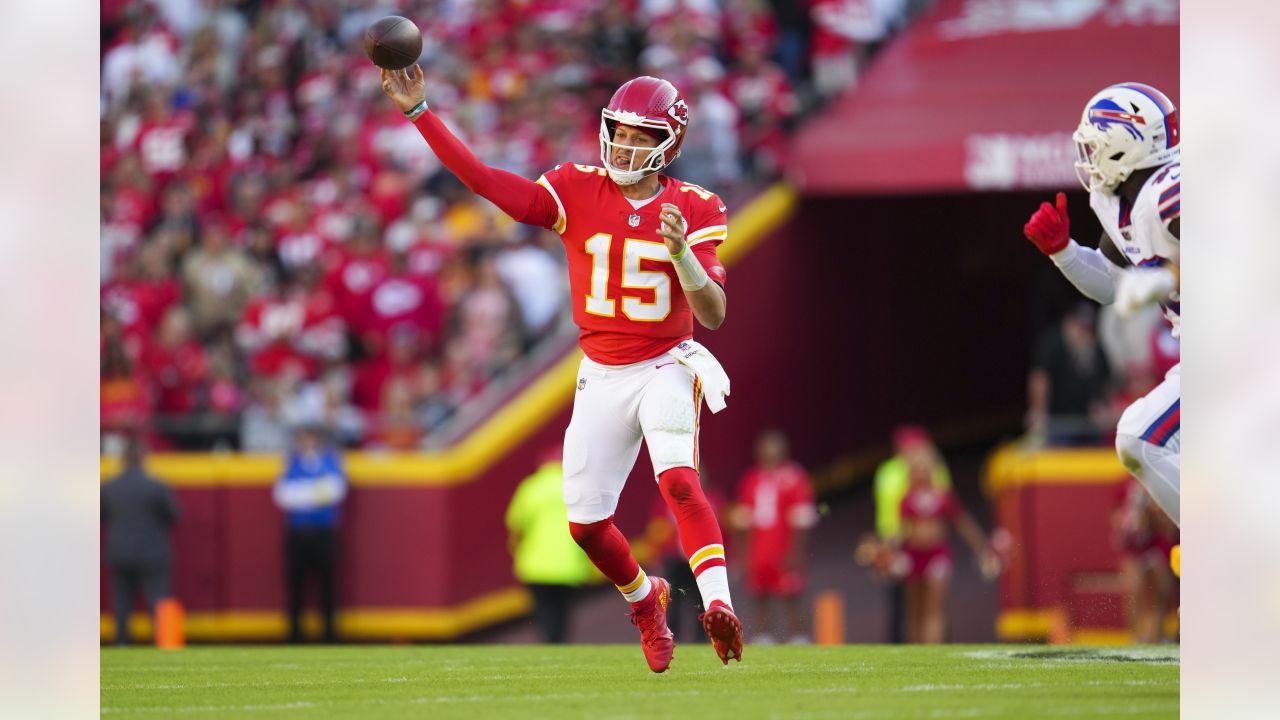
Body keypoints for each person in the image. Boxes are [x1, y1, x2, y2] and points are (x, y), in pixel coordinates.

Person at [381, 68, 742, 672]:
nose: (625, 146)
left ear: (669, 143)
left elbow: (714, 314)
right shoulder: (575, 188)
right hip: (600, 372)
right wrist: (421, 113)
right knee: (586, 528)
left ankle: (718, 606)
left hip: (665, 365)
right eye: (618, 133)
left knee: (678, 480)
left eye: (640, 135)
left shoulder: (693, 207)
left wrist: (681, 253)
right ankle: (645, 598)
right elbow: (487, 182)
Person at [1022, 82, 1181, 528]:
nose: (1089, 156)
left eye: (1095, 144)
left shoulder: (1170, 194)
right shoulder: (1121, 204)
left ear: (1123, 145)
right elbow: (1114, 288)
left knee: (1139, 437)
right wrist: (1064, 252)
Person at [896, 451, 998, 644]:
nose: (920, 472)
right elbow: (901, 531)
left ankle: (931, 653)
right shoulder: (906, 499)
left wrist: (980, 544)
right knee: (914, 611)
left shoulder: (942, 496)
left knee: (934, 609)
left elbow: (961, 522)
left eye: (923, 467)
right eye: (916, 468)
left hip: (937, 555)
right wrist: (886, 550)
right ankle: (914, 652)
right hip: (913, 555)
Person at [864, 425, 951, 643]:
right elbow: (890, 507)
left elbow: (945, 505)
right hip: (897, 541)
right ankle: (901, 649)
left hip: (923, 543)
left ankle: (934, 648)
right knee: (900, 604)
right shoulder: (890, 472)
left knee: (931, 605)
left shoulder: (934, 469)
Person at [730, 429, 817, 643]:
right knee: (760, 596)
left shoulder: (794, 477)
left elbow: (802, 519)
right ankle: (762, 638)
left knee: (792, 595)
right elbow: (743, 522)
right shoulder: (751, 479)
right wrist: (743, 555)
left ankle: (799, 638)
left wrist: (795, 552)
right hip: (760, 551)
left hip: (783, 548)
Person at [505, 450, 597, 643]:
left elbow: (516, 523)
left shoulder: (532, 487)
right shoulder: (579, 489)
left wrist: (515, 548)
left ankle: (547, 640)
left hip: (535, 563)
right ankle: (558, 640)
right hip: (569, 564)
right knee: (562, 609)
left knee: (542, 608)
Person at [101, 435, 181, 645]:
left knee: (121, 603)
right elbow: (174, 516)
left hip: (119, 550)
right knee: (157, 600)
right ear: (144, 458)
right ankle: (164, 643)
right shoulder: (156, 486)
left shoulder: (110, 487)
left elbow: (101, 518)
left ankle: (121, 643)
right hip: (152, 551)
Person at [272, 425, 348, 643]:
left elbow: (336, 490)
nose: (306, 443)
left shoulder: (329, 460)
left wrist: (302, 494)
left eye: (310, 438)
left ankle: (330, 636)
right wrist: (316, 493)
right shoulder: (292, 462)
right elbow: (283, 495)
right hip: (297, 533)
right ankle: (295, 636)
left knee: (328, 585)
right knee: (295, 586)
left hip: (324, 532)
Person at [1025, 303, 1113, 446]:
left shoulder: (1096, 349)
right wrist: (1038, 411)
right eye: (1079, 326)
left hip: (1088, 426)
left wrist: (1104, 407)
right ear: (1068, 324)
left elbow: (1106, 383)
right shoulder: (1053, 344)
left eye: (1087, 328)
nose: (1082, 333)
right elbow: (1040, 378)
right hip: (1058, 425)